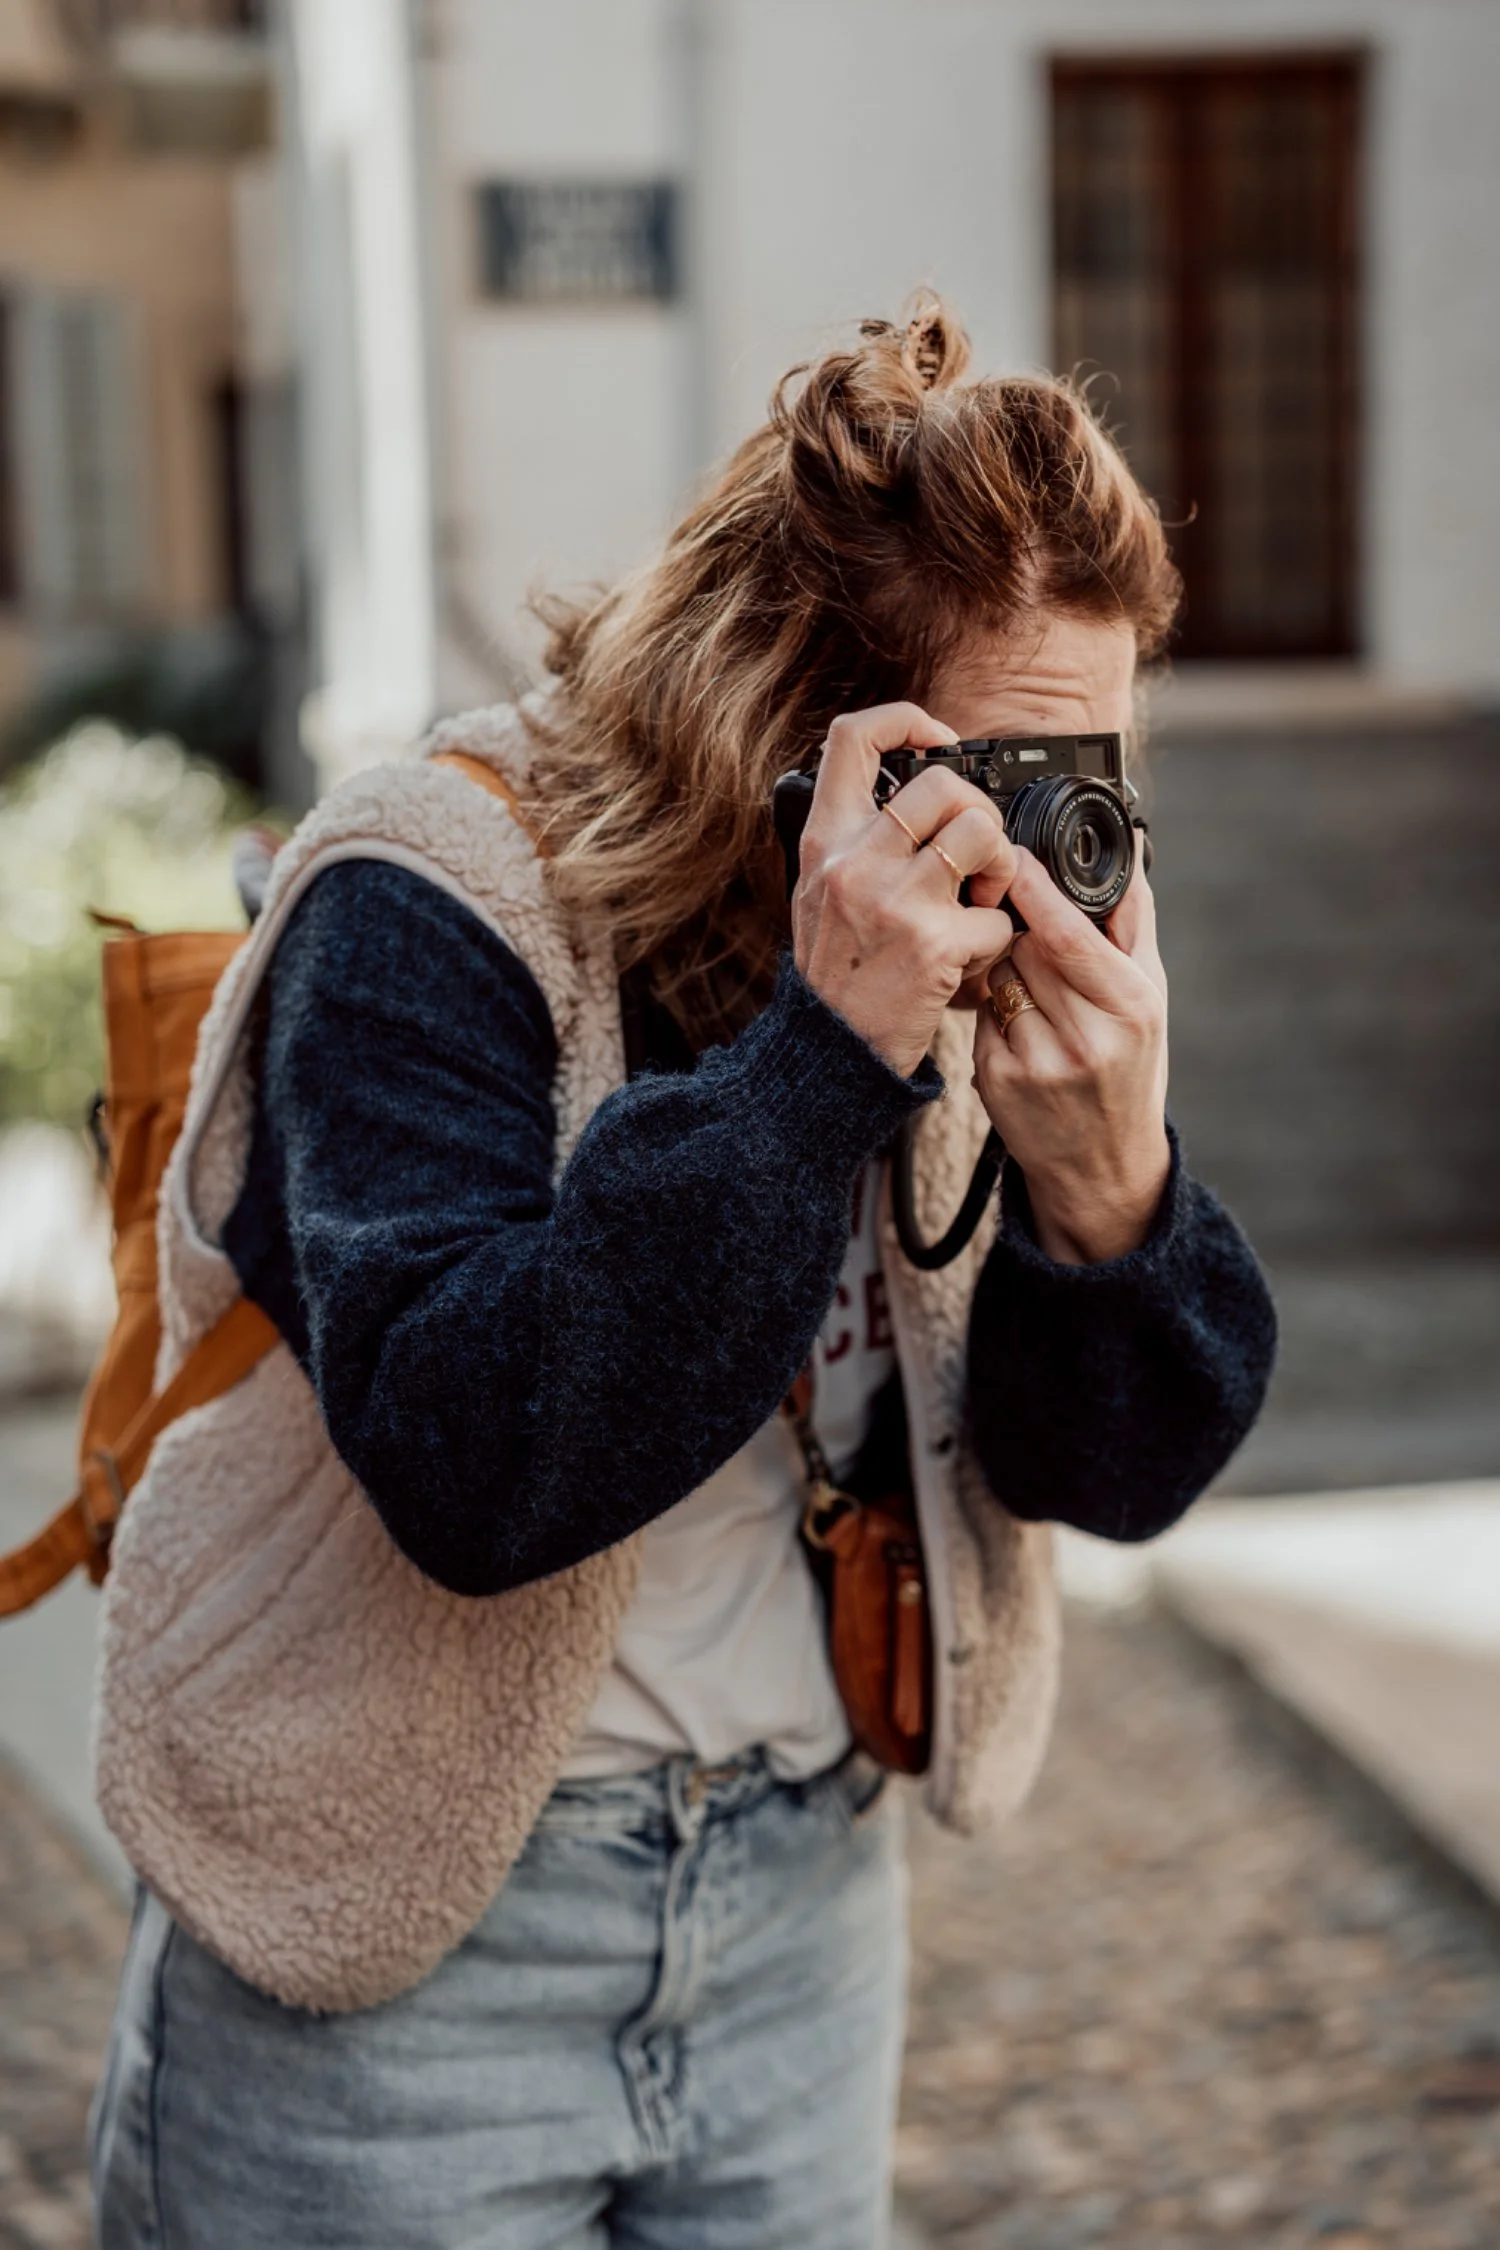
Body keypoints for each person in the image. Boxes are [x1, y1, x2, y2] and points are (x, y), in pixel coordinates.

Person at [90, 303, 1275, 2250]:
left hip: (801, 1919)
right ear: (784, 727)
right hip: (403, 1947)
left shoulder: (972, 945)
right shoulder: (425, 896)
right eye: (1007, 772)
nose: (1050, 860)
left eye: (1099, 779)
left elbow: (1111, 1474)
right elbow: (483, 1465)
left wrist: (1108, 1182)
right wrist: (822, 1061)